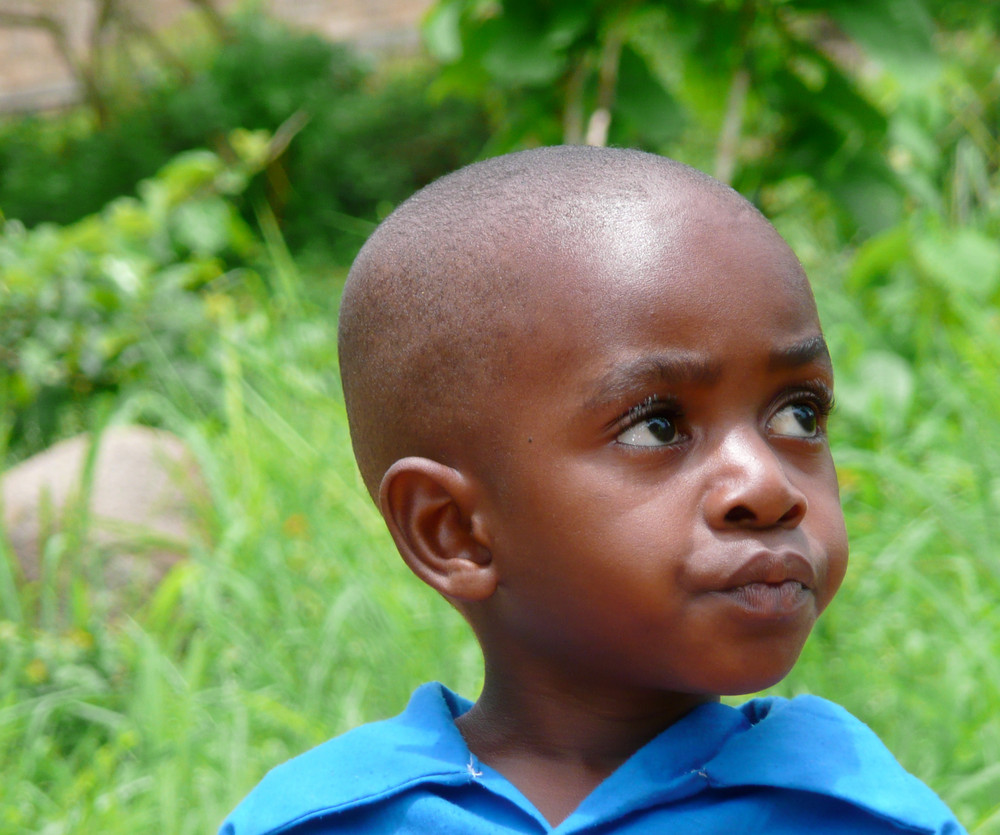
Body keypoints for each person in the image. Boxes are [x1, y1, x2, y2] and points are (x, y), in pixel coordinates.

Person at [220, 146, 967, 834]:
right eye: (657, 428)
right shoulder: (325, 820)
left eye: (798, 413)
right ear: (452, 529)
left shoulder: (857, 812)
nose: (767, 485)